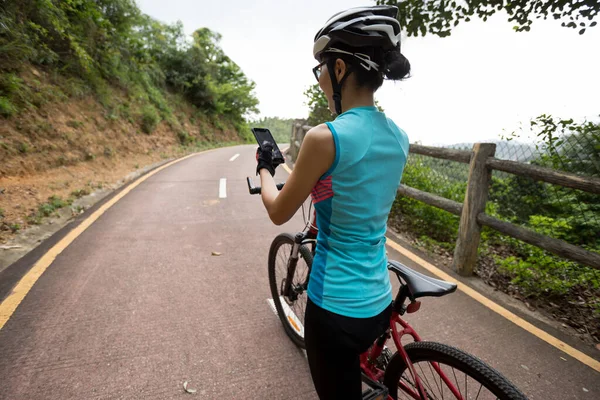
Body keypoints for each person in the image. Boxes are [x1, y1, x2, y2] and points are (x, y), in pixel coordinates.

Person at [255, 5, 411, 399]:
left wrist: (264, 171)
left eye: (321, 69)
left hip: (335, 309)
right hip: (378, 300)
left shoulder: (324, 138)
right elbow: (352, 183)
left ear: (339, 69)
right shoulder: (399, 137)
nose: (322, 79)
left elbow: (278, 211)